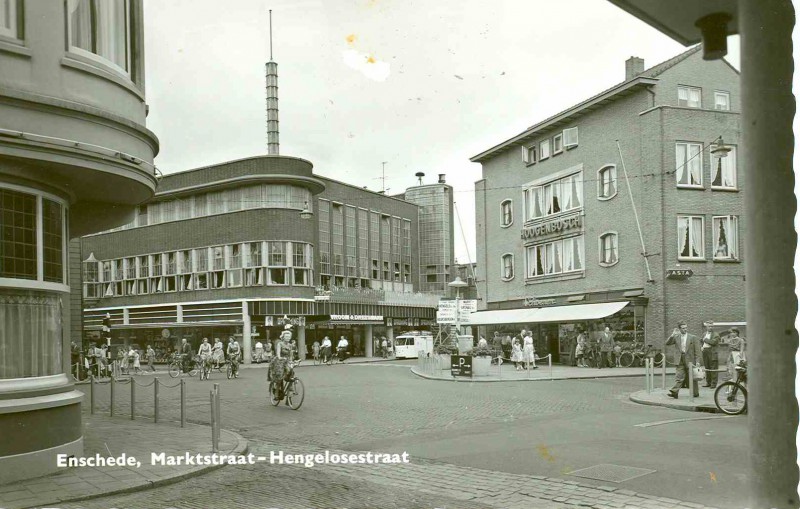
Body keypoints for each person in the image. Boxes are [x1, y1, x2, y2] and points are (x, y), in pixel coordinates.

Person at [665, 321, 704, 399]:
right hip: (680, 359)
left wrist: (698, 361)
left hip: (690, 360)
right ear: (679, 329)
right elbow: (667, 343)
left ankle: (695, 393)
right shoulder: (676, 337)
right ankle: (675, 392)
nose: (685, 329)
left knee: (693, 377)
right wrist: (672, 335)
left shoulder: (692, 337)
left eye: (686, 328)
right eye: (683, 328)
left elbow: (697, 351)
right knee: (679, 376)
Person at [269, 325, 294, 402]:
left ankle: (290, 393)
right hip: (279, 361)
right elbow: (278, 354)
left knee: (291, 374)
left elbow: (290, 356)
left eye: (289, 337)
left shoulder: (290, 345)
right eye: (286, 337)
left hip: (286, 361)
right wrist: (280, 357)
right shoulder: (280, 344)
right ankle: (276, 393)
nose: (288, 338)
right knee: (279, 377)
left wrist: (292, 361)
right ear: (283, 337)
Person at [700, 320, 721, 389]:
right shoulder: (703, 334)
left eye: (712, 326)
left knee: (713, 368)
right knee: (707, 368)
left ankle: (713, 384)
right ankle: (708, 382)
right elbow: (701, 341)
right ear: (706, 327)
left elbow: (713, 342)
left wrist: (705, 339)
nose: (710, 327)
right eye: (709, 326)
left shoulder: (716, 334)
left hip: (712, 352)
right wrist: (702, 347)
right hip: (705, 352)